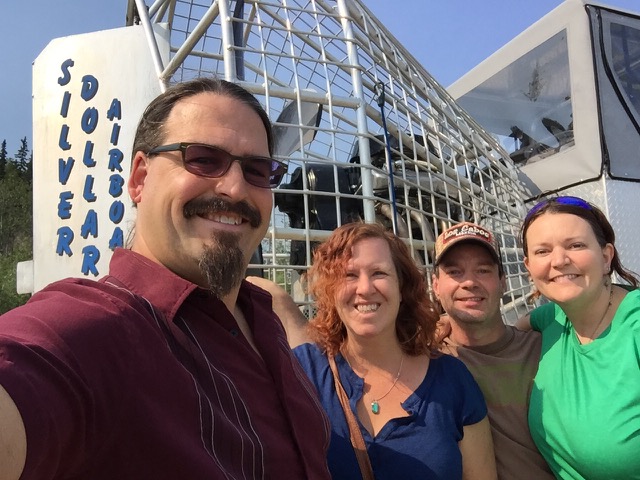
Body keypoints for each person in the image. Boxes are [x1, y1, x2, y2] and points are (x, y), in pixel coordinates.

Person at [0, 77, 331, 479]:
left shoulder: (266, 318)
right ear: (139, 178)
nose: (234, 188)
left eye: (257, 170)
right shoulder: (97, 329)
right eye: (203, 159)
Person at [286, 222, 497, 479]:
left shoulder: (452, 380)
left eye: (379, 273)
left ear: (402, 288)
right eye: (350, 275)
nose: (365, 288)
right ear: (331, 291)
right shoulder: (301, 372)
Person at [518, 195, 640, 479]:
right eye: (543, 251)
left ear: (606, 257)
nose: (559, 261)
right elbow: (509, 329)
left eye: (575, 245)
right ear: (529, 267)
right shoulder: (552, 318)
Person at [431, 222, 554, 480]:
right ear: (436, 286)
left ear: (502, 282)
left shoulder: (545, 350)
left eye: (483, 270)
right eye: (454, 272)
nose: (469, 282)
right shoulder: (426, 358)